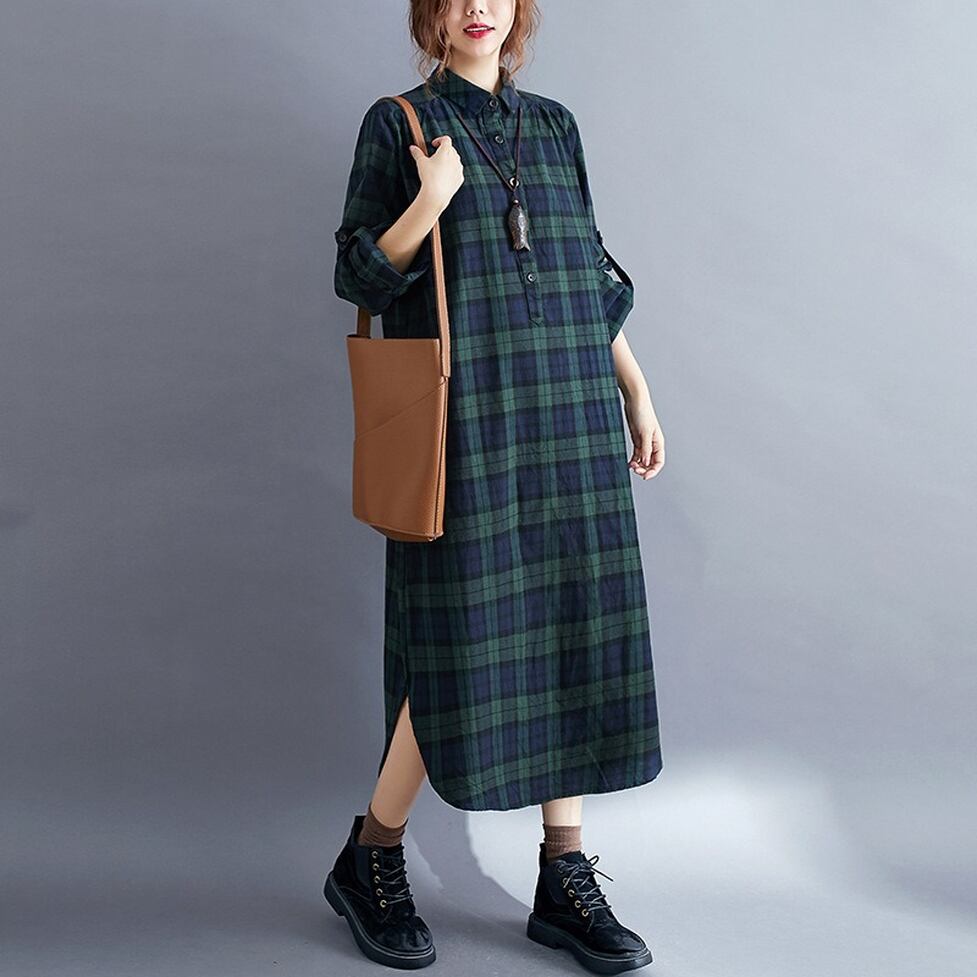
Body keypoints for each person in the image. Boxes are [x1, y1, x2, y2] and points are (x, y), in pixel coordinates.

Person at [324, 1, 666, 972]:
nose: (479, 7)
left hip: (569, 414)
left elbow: (587, 276)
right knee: (458, 635)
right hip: (468, 420)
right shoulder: (398, 125)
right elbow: (359, 274)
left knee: (568, 618)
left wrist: (635, 390)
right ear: (431, 12)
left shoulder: (553, 127)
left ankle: (563, 871)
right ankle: (371, 853)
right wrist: (429, 200)